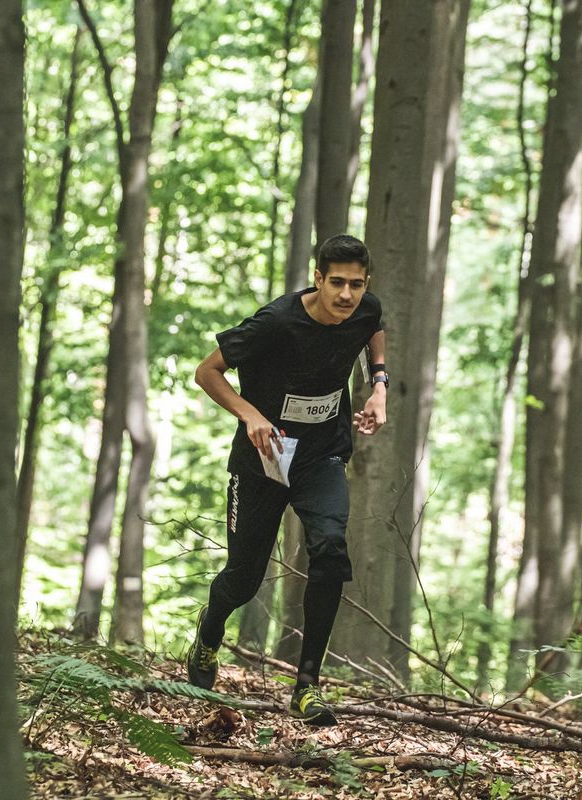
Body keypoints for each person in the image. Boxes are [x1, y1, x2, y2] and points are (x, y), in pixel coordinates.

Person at [186, 233, 389, 726]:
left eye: (356, 284)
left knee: (330, 548)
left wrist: (378, 386)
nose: (346, 295)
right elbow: (206, 371)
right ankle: (208, 635)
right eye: (336, 283)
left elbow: (373, 328)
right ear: (317, 279)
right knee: (244, 578)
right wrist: (249, 414)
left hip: (320, 456)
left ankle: (307, 687)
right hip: (265, 456)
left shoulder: (364, 309)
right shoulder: (275, 323)